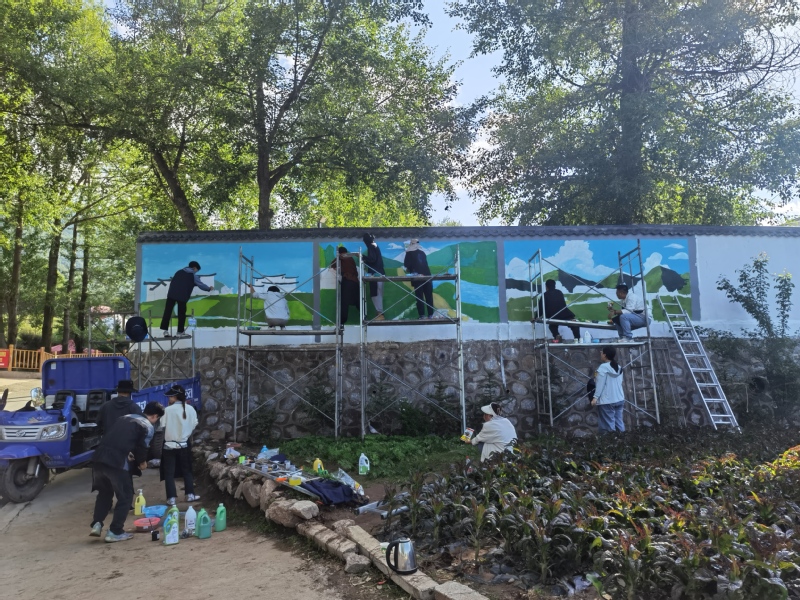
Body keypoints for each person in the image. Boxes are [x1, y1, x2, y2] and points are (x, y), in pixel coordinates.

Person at [89, 402, 164, 542]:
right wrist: (142, 463)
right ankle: (115, 531)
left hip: (99, 458)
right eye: (157, 419)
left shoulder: (125, 417)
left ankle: (97, 524)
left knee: (104, 493)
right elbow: (142, 448)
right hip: (117, 462)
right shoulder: (147, 426)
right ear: (155, 416)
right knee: (126, 496)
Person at [160, 384, 200, 506]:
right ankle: (190, 495)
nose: (169, 399)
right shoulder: (191, 409)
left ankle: (171, 498)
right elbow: (194, 425)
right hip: (184, 444)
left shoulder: (167, 410)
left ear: (175, 397)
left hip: (169, 445)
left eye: (170, 397)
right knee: (187, 470)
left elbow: (162, 426)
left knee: (169, 472)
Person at [159, 261, 212, 338]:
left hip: (171, 294)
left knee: (167, 312)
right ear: (194, 268)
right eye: (196, 270)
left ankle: (165, 331)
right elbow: (201, 285)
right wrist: (209, 289)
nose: (196, 272)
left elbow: (174, 282)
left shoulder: (179, 272)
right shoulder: (193, 276)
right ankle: (179, 332)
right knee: (181, 314)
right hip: (182, 296)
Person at [591, 346, 625, 433]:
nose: (600, 353)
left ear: (605, 355)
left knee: (608, 427)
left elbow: (600, 384)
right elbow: (620, 382)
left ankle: (611, 441)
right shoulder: (619, 367)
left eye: (601, 352)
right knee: (619, 423)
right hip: (619, 399)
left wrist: (595, 398)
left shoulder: (603, 367)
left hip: (607, 401)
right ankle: (624, 440)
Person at [403, 239, 434, 319]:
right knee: (429, 296)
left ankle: (422, 315)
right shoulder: (422, 253)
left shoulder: (409, 253)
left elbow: (406, 264)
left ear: (411, 244)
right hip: (427, 276)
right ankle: (431, 315)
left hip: (417, 278)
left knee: (419, 297)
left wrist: (409, 268)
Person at [329, 246, 359, 329]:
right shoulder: (351, 259)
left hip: (347, 281)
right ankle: (365, 316)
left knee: (344, 303)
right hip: (355, 282)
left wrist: (337, 257)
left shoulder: (342, 256)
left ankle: (341, 323)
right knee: (358, 301)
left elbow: (332, 264)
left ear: (339, 253)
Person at [362, 233, 385, 321]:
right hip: (380, 273)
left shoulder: (371, 246)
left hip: (375, 274)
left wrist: (363, 257)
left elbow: (372, 259)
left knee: (375, 294)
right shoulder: (375, 245)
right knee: (378, 294)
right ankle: (379, 313)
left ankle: (380, 314)